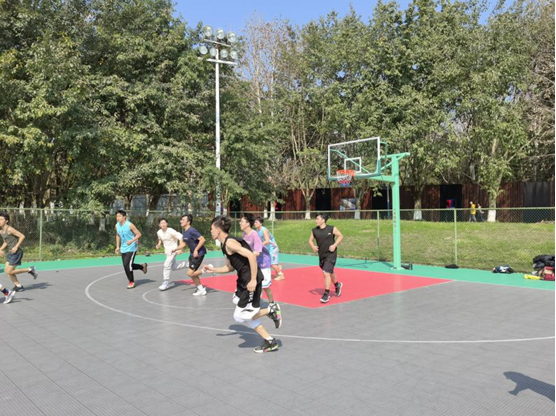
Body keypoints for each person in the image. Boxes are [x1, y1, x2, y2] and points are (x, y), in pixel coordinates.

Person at [204, 215, 282, 353]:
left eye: (211, 229)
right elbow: (230, 267)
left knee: (239, 316)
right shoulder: (224, 245)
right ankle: (270, 341)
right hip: (242, 280)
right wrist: (213, 270)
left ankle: (271, 310)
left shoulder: (230, 243)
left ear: (218, 229)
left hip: (250, 280)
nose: (210, 231)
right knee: (241, 307)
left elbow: (251, 256)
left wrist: (253, 280)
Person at [308, 213, 344, 303]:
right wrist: (313, 246)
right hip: (322, 255)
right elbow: (310, 240)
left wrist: (334, 245)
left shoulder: (331, 228)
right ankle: (337, 285)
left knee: (326, 273)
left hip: (331, 254)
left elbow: (341, 236)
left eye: (318, 219)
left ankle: (326, 294)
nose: (316, 220)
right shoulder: (314, 230)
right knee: (329, 272)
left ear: (323, 220)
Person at [240, 214, 275, 305]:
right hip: (253, 263)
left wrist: (248, 256)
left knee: (265, 287)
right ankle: (254, 303)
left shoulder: (254, 235)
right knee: (253, 284)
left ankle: (272, 304)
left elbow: (257, 252)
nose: (240, 223)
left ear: (248, 224)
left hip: (263, 262)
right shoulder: (244, 235)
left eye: (242, 222)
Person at [0, 212, 38, 293]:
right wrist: (0, 249)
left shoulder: (10, 229)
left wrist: (16, 247)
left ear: (6, 221)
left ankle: (30, 269)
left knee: (10, 271)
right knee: (7, 271)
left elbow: (22, 236)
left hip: (17, 252)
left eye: (1, 219)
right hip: (10, 252)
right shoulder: (1, 231)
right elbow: (6, 241)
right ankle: (18, 286)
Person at [174, 214, 208, 296]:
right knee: (193, 273)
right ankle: (201, 290)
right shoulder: (185, 232)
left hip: (198, 254)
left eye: (183, 220)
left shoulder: (192, 230)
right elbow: (183, 244)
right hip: (192, 254)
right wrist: (175, 249)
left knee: (190, 273)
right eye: (181, 220)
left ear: (188, 222)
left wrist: (196, 250)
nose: (181, 221)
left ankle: (206, 270)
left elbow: (202, 240)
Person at [115, 210, 147, 289]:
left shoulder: (130, 225)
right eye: (117, 216)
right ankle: (142, 266)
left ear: (124, 217)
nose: (117, 218)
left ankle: (131, 282)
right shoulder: (117, 225)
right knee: (127, 265)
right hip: (123, 247)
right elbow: (118, 235)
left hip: (132, 247)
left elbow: (139, 234)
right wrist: (117, 246)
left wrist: (132, 241)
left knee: (127, 265)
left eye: (119, 216)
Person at [155, 218, 188, 291]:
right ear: (159, 225)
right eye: (161, 223)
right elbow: (160, 239)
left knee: (166, 265)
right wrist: (159, 244)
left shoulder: (171, 231)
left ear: (167, 224)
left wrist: (179, 248)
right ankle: (186, 264)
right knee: (174, 267)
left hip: (173, 250)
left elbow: (181, 237)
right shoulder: (159, 232)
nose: (163, 224)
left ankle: (165, 282)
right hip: (167, 251)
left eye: (164, 223)